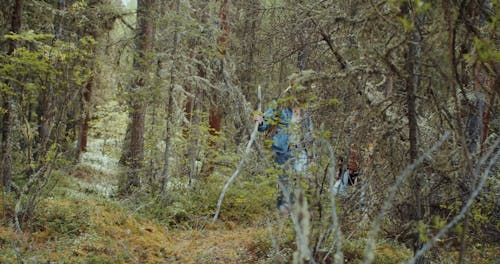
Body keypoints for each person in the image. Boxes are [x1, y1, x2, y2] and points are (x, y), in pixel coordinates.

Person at [253, 85, 313, 215]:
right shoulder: (279, 106)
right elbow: (266, 122)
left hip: (300, 150)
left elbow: (309, 132)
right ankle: (284, 212)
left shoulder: (306, 111)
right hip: (283, 150)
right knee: (284, 180)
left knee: (299, 175)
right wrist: (260, 121)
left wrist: (310, 154)